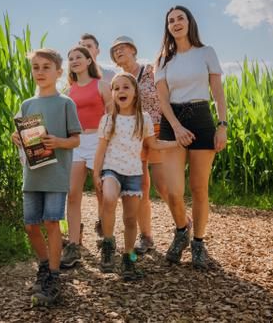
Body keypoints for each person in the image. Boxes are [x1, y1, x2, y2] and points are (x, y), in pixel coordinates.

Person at [154, 5, 228, 269]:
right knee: (173, 191)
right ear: (167, 27)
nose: (175, 23)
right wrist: (176, 127)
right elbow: (162, 99)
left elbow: (218, 92)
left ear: (189, 22)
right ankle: (181, 230)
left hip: (201, 117)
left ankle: (198, 243)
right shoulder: (162, 60)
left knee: (199, 187)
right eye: (171, 20)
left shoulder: (206, 53)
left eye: (180, 18)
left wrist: (222, 125)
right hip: (172, 120)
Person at [11, 48, 82, 306]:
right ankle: (44, 266)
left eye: (46, 67)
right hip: (33, 174)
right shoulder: (27, 105)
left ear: (59, 72)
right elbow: (21, 136)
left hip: (56, 174)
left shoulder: (66, 104)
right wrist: (15, 137)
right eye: (36, 67)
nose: (40, 72)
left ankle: (54, 276)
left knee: (52, 222)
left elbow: (75, 139)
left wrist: (59, 142)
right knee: (30, 225)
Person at [92, 73, 178, 281]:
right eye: (117, 88)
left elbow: (153, 145)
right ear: (112, 94)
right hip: (111, 169)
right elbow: (101, 150)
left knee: (131, 219)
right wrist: (97, 173)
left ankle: (128, 258)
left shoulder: (144, 119)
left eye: (126, 87)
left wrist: (177, 143)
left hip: (133, 173)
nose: (121, 91)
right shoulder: (108, 120)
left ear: (135, 92)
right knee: (110, 199)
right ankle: (108, 244)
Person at [109, 36, 166, 255]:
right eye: (114, 51)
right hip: (135, 136)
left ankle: (183, 222)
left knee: (164, 186)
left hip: (159, 130)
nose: (118, 52)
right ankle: (147, 237)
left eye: (122, 48)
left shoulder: (151, 71)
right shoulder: (118, 80)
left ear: (133, 50)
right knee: (141, 187)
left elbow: (166, 97)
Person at [61, 46, 111, 268]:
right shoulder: (68, 90)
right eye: (70, 58)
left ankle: (107, 240)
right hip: (77, 143)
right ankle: (73, 246)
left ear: (90, 60)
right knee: (72, 194)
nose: (74, 61)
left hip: (98, 142)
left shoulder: (101, 85)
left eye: (78, 57)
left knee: (102, 192)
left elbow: (112, 115)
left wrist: (108, 142)